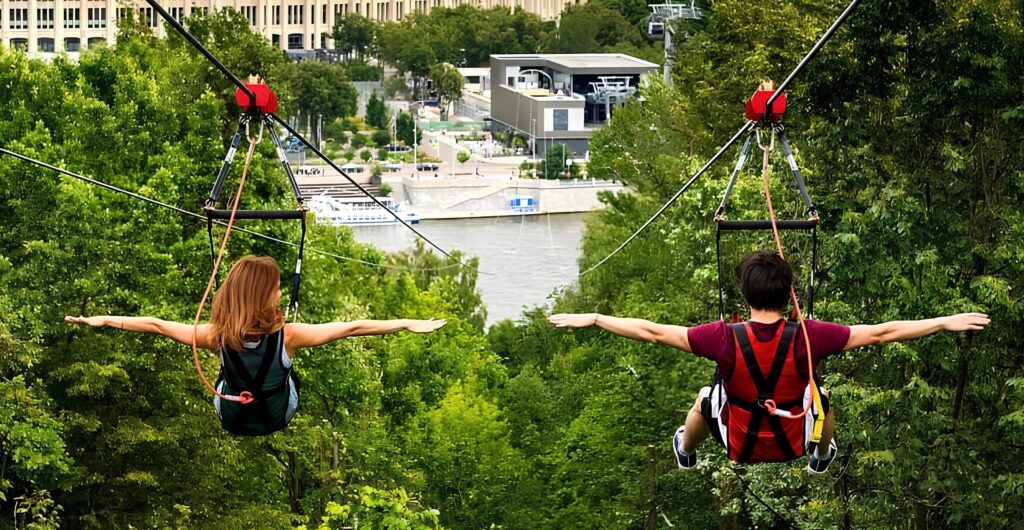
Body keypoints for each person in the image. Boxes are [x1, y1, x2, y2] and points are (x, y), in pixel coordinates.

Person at [549, 250, 989, 473]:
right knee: (823, 396)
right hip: (793, 439)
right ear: (787, 293)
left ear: (746, 295)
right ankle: (821, 453)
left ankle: (685, 449)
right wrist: (944, 321)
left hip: (739, 441)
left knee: (706, 397)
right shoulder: (809, 337)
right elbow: (881, 332)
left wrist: (596, 318)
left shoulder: (723, 338)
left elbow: (653, 331)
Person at [66, 255, 446, 436]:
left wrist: (102, 319)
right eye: (276, 289)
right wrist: (406, 324)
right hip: (279, 413)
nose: (280, 293)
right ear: (263, 296)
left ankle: (236, 391)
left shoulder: (216, 335)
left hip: (231, 415)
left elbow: (156, 326)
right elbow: (352, 327)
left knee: (226, 381)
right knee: (289, 381)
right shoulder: (290, 337)